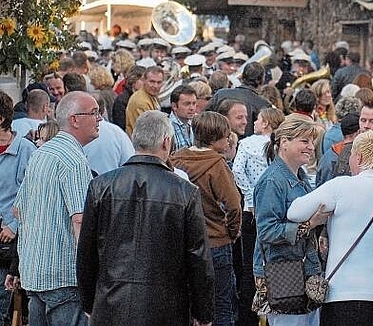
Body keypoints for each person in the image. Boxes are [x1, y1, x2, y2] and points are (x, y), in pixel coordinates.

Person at [76, 111, 214, 326]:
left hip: (111, 302)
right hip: (166, 306)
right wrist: (203, 312)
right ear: (166, 142)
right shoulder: (184, 191)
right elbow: (198, 257)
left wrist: (89, 302)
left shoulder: (101, 186)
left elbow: (87, 253)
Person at [288, 130, 373, 326]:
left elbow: (294, 212)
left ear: (359, 157)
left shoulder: (340, 186)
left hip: (342, 291)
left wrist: (318, 219)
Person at [14, 92, 99, 326]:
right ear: (74, 119)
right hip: (63, 276)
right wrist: (89, 272)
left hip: (35, 272)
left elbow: (18, 210)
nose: (99, 118)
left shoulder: (41, 153)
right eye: (93, 113)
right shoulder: (73, 159)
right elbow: (80, 219)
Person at [252, 115, 328, 326]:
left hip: (302, 272)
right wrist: (309, 225)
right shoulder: (272, 181)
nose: (311, 147)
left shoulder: (299, 177)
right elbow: (266, 231)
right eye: (304, 141)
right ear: (284, 142)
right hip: (283, 274)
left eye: (312, 142)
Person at [170, 111, 242, 326]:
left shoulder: (175, 159)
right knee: (221, 304)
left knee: (189, 304)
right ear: (214, 138)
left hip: (184, 242)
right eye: (225, 135)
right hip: (216, 241)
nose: (229, 139)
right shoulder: (217, 164)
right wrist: (232, 231)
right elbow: (234, 205)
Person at [233, 107, 285, 324]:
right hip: (274, 209)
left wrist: (249, 196)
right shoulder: (278, 146)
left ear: (265, 124)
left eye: (258, 119)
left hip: (250, 210)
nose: (253, 122)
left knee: (249, 266)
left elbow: (236, 170)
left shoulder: (246, 143)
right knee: (274, 260)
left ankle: (250, 315)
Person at [0, 90, 35, 326]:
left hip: (9, 243)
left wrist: (13, 226)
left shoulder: (25, 150)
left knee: (4, 301)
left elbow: (31, 194)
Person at [207, 62, 272, 137]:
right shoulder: (263, 104)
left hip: (220, 141)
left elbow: (205, 118)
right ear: (261, 80)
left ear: (243, 77)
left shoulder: (221, 93)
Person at [125, 66, 164, 136]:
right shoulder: (140, 101)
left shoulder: (151, 95)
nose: (155, 86)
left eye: (159, 82)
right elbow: (147, 132)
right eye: (152, 81)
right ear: (144, 80)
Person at [169, 85, 197, 153]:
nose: (192, 108)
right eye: (187, 104)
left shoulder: (197, 122)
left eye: (194, 103)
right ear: (174, 106)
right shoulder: (167, 127)